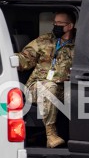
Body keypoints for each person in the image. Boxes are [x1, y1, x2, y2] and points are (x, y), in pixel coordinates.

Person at [16, 11, 76, 148]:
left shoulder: (78, 45)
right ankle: (51, 135)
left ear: (70, 26)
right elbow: (25, 59)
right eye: (54, 23)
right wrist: (9, 57)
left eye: (60, 24)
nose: (55, 26)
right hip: (37, 85)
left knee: (80, 95)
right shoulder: (45, 41)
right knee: (49, 87)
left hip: (65, 87)